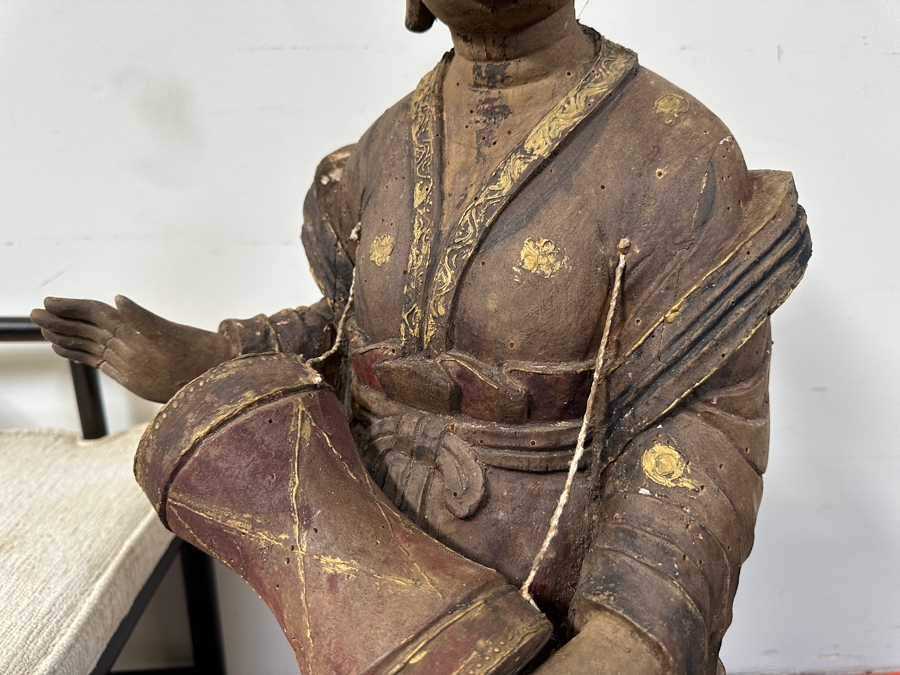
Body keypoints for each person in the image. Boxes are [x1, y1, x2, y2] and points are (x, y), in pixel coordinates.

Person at [32, 1, 811, 672]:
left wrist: (628, 636)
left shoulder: (676, 153)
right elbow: (347, 339)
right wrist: (209, 356)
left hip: (557, 597)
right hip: (375, 588)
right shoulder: (378, 152)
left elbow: (703, 427)